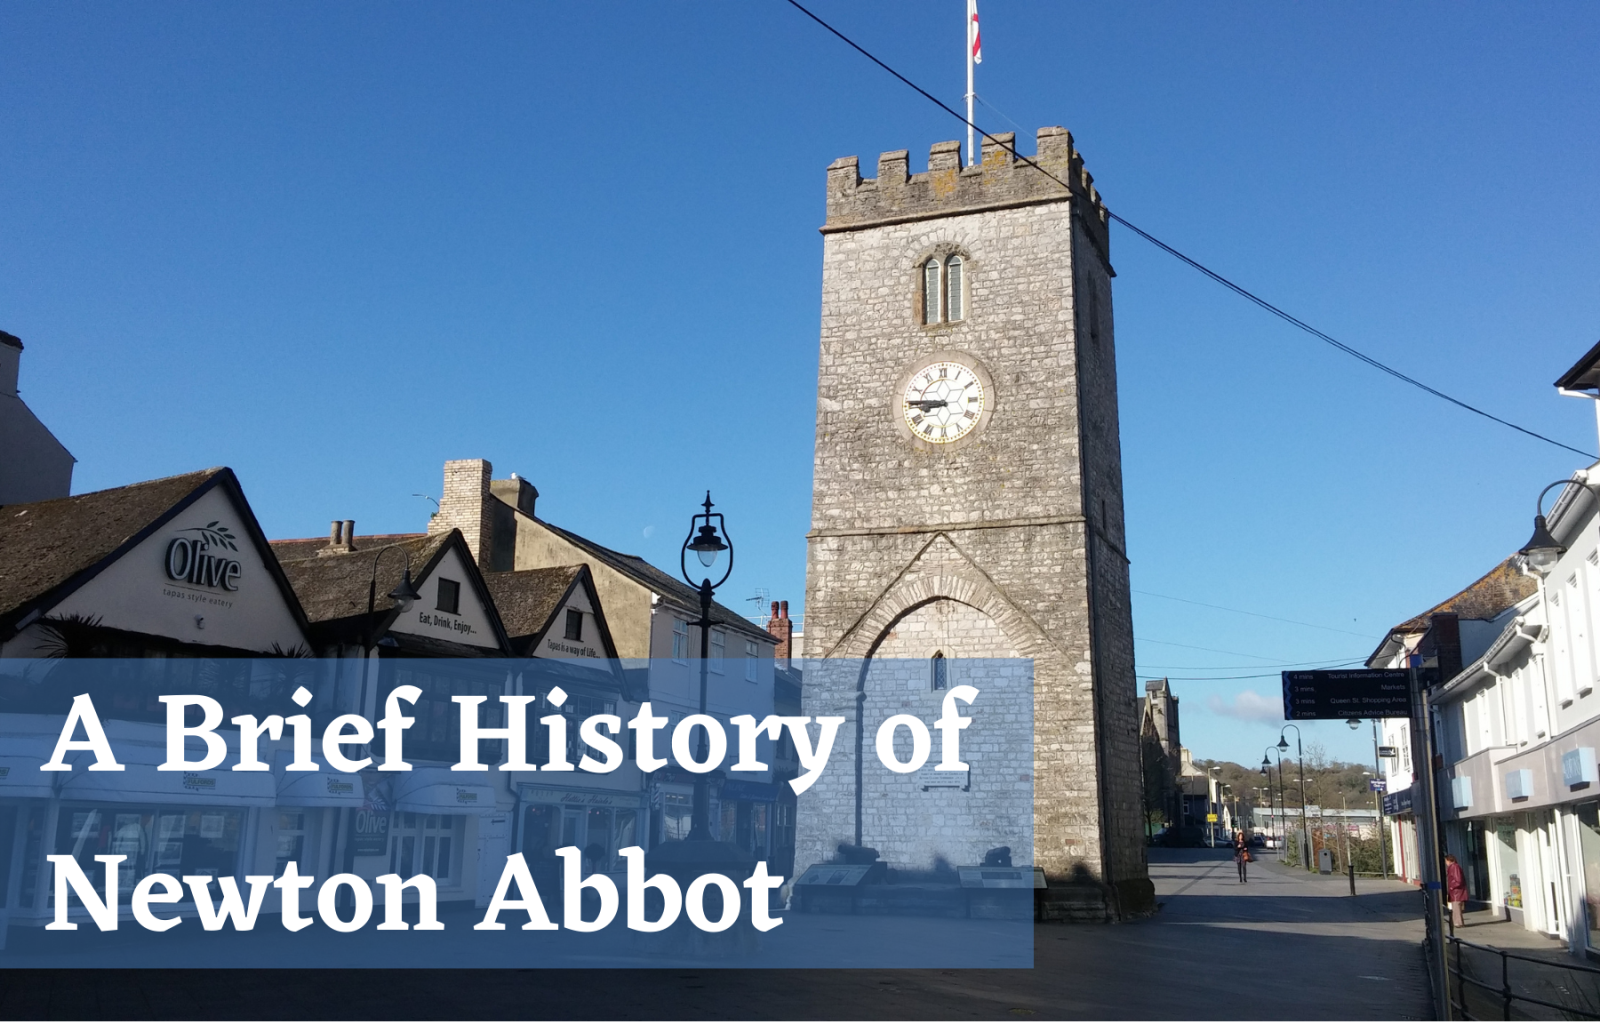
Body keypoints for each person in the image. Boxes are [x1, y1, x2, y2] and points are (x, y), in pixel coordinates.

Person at [1445, 853, 1469, 928]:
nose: (1445, 863)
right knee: (1455, 908)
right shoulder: (1454, 867)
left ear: (1449, 860)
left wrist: (1452, 887)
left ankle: (1458, 923)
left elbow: (1458, 880)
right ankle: (1457, 922)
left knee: (1456, 908)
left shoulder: (1454, 867)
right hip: (1455, 892)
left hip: (1456, 892)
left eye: (1446, 861)